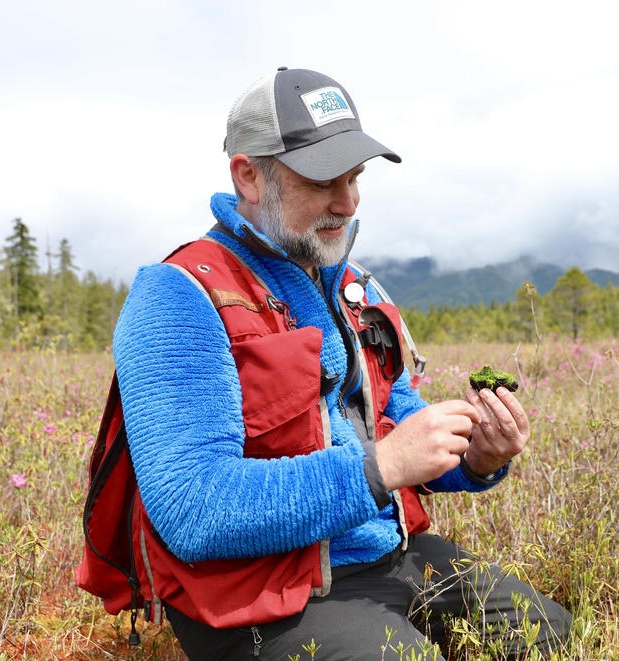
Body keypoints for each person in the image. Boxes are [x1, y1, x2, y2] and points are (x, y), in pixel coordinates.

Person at [86, 67, 570, 660]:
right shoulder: (178, 295)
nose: (349, 201)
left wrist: (475, 456)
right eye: (323, 180)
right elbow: (192, 508)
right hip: (260, 593)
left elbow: (396, 420)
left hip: (383, 556)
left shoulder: (353, 286)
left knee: (549, 634)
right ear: (249, 176)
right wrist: (379, 467)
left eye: (355, 176)